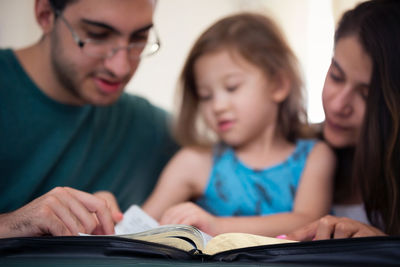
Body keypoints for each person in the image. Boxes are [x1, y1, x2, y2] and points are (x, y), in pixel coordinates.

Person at [142, 13, 336, 237]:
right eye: (205, 96)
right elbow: (141, 226)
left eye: (232, 87)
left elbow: (309, 221)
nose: (217, 106)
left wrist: (217, 226)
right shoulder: (194, 162)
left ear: (278, 85)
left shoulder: (315, 156)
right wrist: (110, 217)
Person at [0, 0, 178, 238]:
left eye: (138, 38)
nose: (121, 68)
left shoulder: (150, 127)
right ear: (45, 15)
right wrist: (11, 225)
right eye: (97, 35)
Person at [287, 0, 400, 240]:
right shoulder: (297, 152)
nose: (338, 105)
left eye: (366, 95)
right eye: (336, 76)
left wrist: (384, 247)